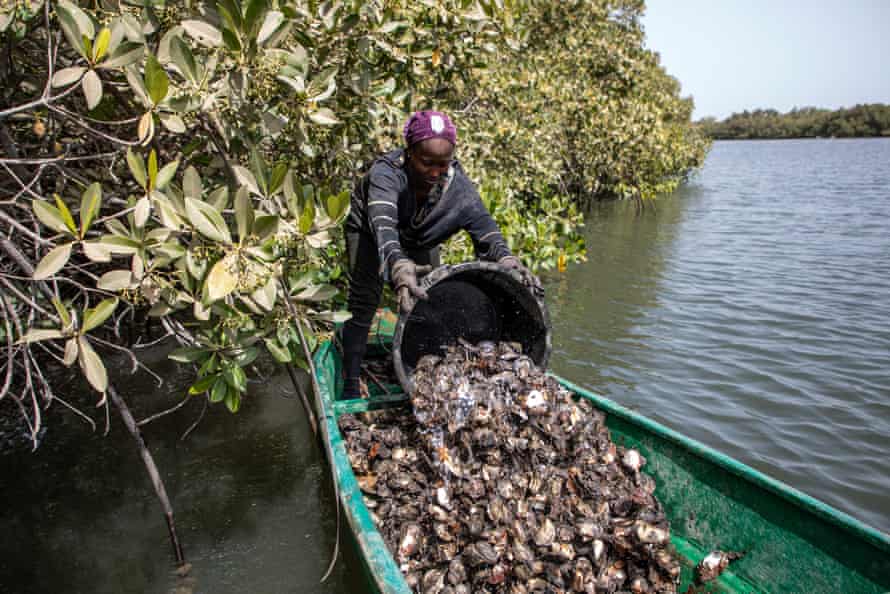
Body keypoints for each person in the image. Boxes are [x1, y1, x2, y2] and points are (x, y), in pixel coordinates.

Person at [341, 110, 530, 398]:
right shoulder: (386, 175)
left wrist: (507, 260)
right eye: (426, 162)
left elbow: (487, 232)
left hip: (421, 238)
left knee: (427, 302)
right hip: (370, 233)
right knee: (363, 301)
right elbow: (384, 226)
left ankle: (420, 375)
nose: (434, 172)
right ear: (409, 153)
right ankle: (351, 383)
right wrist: (398, 264)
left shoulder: (458, 188)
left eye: (442, 164)